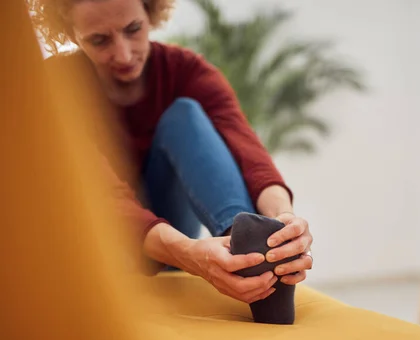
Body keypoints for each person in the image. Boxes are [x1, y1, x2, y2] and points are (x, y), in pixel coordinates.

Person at [29, 0, 314, 305]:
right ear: (71, 34)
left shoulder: (187, 72)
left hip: (171, 232)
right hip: (103, 245)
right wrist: (187, 252)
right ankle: (250, 257)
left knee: (185, 114)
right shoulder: (54, 87)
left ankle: (251, 254)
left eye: (133, 29)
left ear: (150, 12)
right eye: (99, 40)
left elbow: (248, 151)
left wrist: (284, 223)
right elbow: (101, 194)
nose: (123, 54)